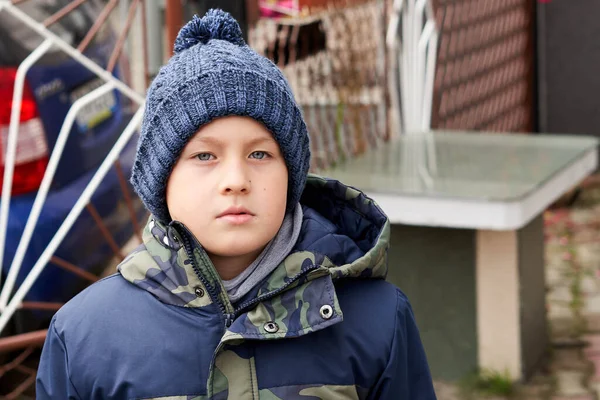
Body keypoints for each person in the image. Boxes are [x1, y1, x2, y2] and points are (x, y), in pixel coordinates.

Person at [36, 9, 436, 400]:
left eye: (259, 155)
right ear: (162, 181)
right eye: (204, 157)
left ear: (291, 176)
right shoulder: (85, 338)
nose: (235, 181)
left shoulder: (377, 321)